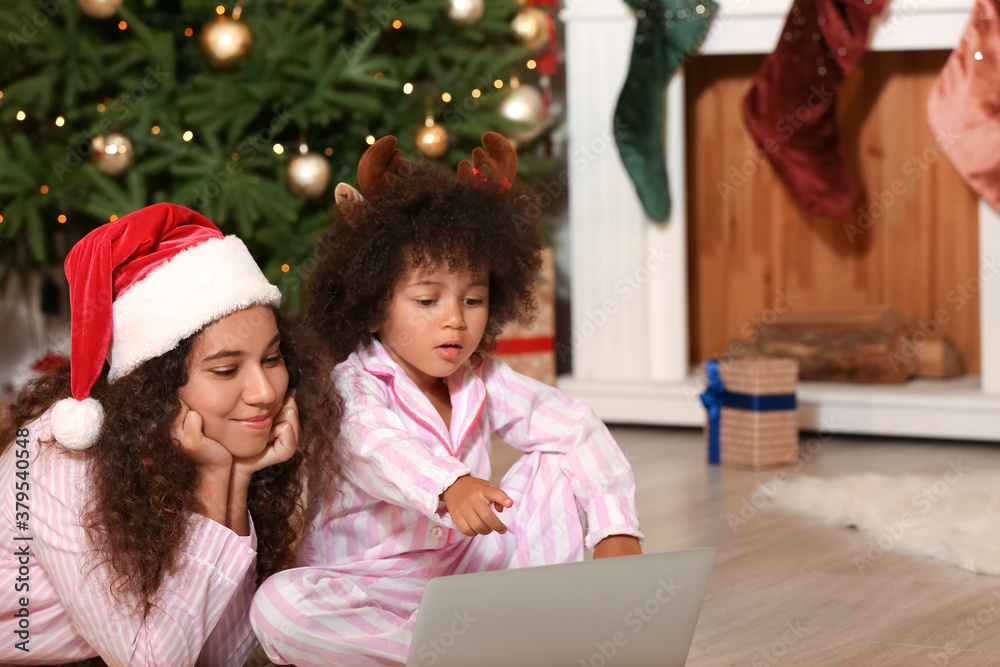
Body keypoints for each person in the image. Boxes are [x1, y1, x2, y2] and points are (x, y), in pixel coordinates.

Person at [250, 133, 643, 666]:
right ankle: (438, 655)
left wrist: (614, 527)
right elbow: (377, 446)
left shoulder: (480, 377)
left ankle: (525, 629)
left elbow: (572, 425)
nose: (455, 318)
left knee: (556, 461)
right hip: (371, 584)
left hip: (464, 572)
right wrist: (449, 483)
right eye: (427, 299)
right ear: (372, 309)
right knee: (279, 606)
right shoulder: (353, 385)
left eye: (473, 299)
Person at [0, 203, 341, 666]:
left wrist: (233, 483)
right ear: (153, 387)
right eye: (225, 370)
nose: (265, 393)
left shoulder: (201, 444)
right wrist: (215, 482)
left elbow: (218, 656)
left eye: (272, 358)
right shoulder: (59, 461)